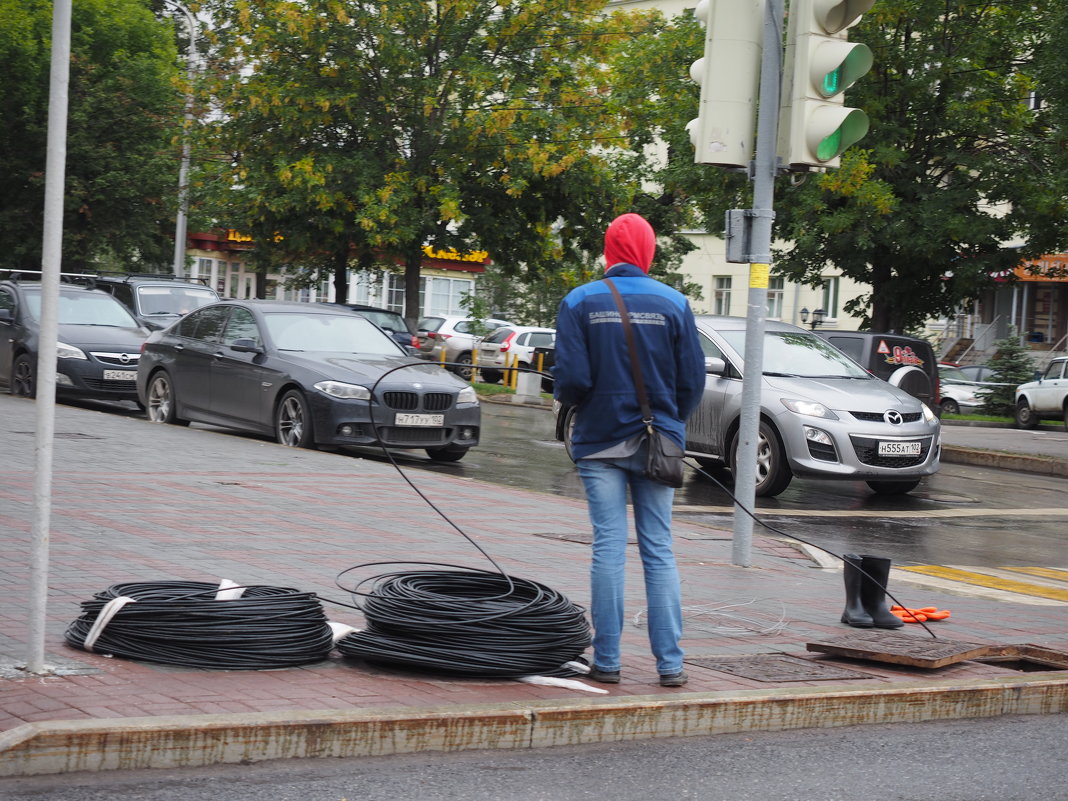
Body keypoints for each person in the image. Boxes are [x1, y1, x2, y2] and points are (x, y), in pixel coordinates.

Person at [553, 212, 706, 687]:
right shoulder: (674, 302)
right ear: (647, 251)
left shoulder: (579, 301)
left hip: (599, 442)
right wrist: (669, 422)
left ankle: (609, 661)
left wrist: (580, 403)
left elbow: (572, 379)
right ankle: (671, 665)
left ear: (608, 250)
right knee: (659, 550)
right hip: (659, 442)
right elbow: (692, 381)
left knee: (608, 547)